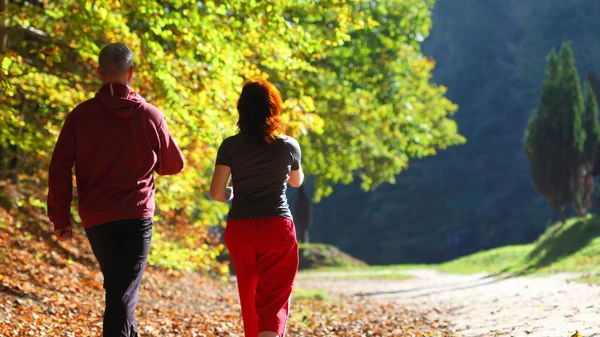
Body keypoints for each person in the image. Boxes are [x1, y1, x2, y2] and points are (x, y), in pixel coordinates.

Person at [47, 42, 185, 337]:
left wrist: (60, 218)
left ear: (99, 72)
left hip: (96, 217)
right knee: (122, 292)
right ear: (131, 72)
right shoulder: (150, 115)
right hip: (136, 216)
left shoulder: (80, 116)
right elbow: (174, 164)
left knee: (120, 288)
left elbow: (59, 167)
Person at [210, 80, 304, 337]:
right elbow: (296, 182)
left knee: (250, 296)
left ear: (242, 110)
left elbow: (217, 193)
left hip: (241, 229)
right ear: (274, 109)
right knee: (273, 299)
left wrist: (234, 190)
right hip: (277, 227)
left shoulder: (230, 146)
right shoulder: (288, 145)